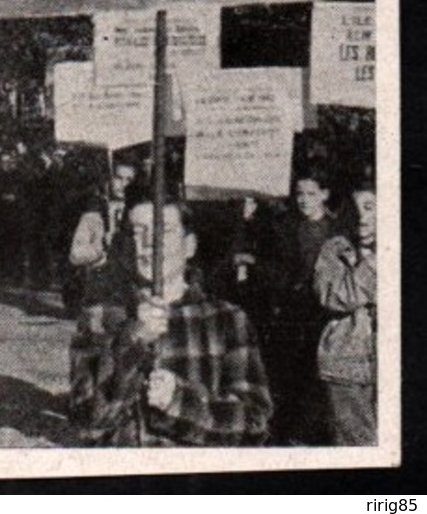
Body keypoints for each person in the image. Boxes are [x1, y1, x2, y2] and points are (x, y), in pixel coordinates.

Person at [75, 199, 273, 446]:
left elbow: (255, 425)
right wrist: (132, 343)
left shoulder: (226, 319)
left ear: (189, 246)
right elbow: (87, 424)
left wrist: (179, 403)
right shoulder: (100, 317)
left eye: (163, 231)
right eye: (137, 232)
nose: (148, 243)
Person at [261, 168, 338, 444]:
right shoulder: (287, 227)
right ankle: (285, 433)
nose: (304, 200)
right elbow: (276, 268)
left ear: (325, 195)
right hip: (291, 313)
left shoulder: (336, 230)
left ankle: (309, 434)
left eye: (311, 194)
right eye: (299, 194)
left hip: (323, 314)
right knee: (287, 373)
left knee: (316, 376)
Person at [314, 180, 377, 445]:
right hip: (345, 367)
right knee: (356, 446)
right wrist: (372, 265)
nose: (362, 217)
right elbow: (334, 297)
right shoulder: (334, 249)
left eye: (370, 207)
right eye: (355, 209)